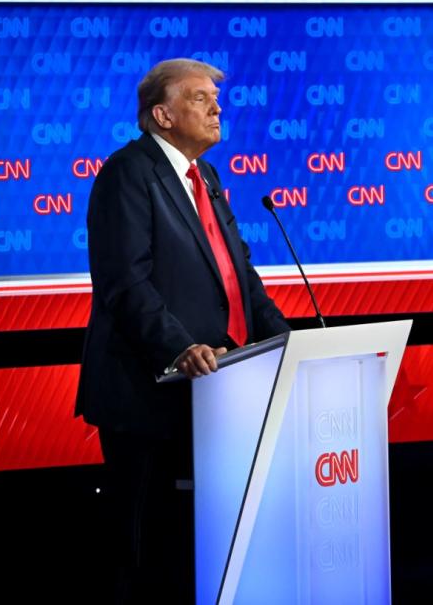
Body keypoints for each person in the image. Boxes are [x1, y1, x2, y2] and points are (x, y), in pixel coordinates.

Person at [76, 58, 290, 602]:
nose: (216, 108)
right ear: (163, 115)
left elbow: (239, 276)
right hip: (147, 394)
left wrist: (289, 342)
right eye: (200, 98)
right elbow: (125, 282)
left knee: (195, 546)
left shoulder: (206, 178)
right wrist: (179, 348)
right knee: (144, 549)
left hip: (214, 390)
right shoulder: (128, 172)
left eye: (215, 99)